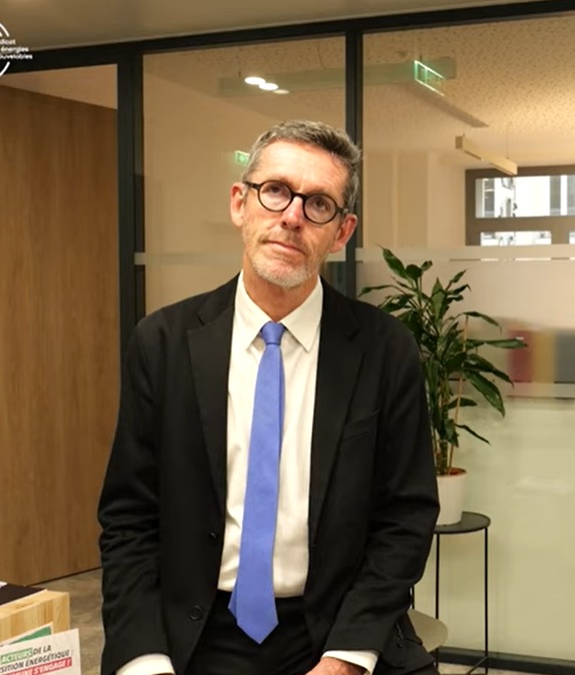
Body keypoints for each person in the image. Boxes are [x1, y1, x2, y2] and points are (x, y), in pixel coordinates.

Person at [98, 120, 440, 675]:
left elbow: (406, 517)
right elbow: (129, 518)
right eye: (276, 190)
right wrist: (146, 660)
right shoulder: (162, 343)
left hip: (335, 628)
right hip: (195, 633)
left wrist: (346, 658)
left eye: (319, 204)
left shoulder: (385, 349)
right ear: (240, 202)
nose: (292, 216)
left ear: (342, 232)